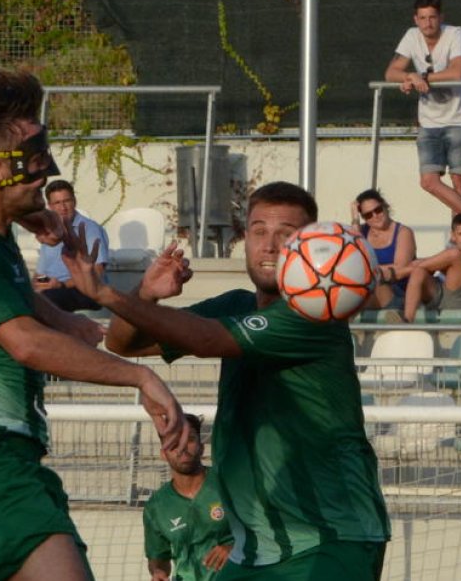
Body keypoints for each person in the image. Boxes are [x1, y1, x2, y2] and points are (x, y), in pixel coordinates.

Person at [0, 69, 186, 581]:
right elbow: (24, 343)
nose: (47, 173)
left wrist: (83, 313)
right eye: (37, 161)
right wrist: (141, 378)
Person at [61, 181, 390, 580]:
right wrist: (145, 293)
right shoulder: (236, 304)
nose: (269, 245)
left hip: (329, 539)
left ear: (310, 244)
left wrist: (106, 293)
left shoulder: (315, 318)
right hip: (252, 550)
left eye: (286, 234)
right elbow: (124, 344)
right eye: (258, 231)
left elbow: (204, 338)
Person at [385, 0, 461, 230]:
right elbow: (391, 73)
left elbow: (457, 71)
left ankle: (460, 241)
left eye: (432, 17)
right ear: (415, 19)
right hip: (429, 121)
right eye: (422, 18)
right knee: (428, 181)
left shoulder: (455, 33)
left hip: (459, 117)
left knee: (458, 180)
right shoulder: (411, 36)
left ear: (441, 17)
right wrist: (410, 75)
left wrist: (424, 78)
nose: (427, 23)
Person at [143, 413, 233, 581]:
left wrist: (233, 547)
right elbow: (158, 558)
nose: (182, 447)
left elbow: (264, 532)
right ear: (163, 453)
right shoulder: (156, 506)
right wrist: (158, 572)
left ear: (201, 447)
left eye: (190, 439)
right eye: (173, 443)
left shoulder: (230, 484)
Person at [393, 213, 461, 323]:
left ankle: (402, 272)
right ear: (453, 236)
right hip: (438, 292)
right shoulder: (447, 255)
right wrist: (437, 266)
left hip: (460, 297)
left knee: (454, 254)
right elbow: (435, 266)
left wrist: (441, 266)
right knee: (418, 271)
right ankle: (407, 320)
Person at [33, 179, 110, 311]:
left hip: (84, 290)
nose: (63, 208)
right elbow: (40, 273)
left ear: (74, 201)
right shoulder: (50, 232)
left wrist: (61, 285)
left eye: (66, 201)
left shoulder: (89, 229)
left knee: (47, 299)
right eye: (57, 203)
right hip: (55, 288)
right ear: (50, 206)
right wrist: (41, 283)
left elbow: (97, 273)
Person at [351, 188, 416, 310]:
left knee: (373, 284)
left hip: (399, 293)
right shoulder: (362, 232)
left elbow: (400, 269)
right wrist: (355, 219)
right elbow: (353, 255)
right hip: (370, 291)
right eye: (368, 215)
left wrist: (370, 271)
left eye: (378, 210)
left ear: (385, 206)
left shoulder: (403, 232)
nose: (375, 216)